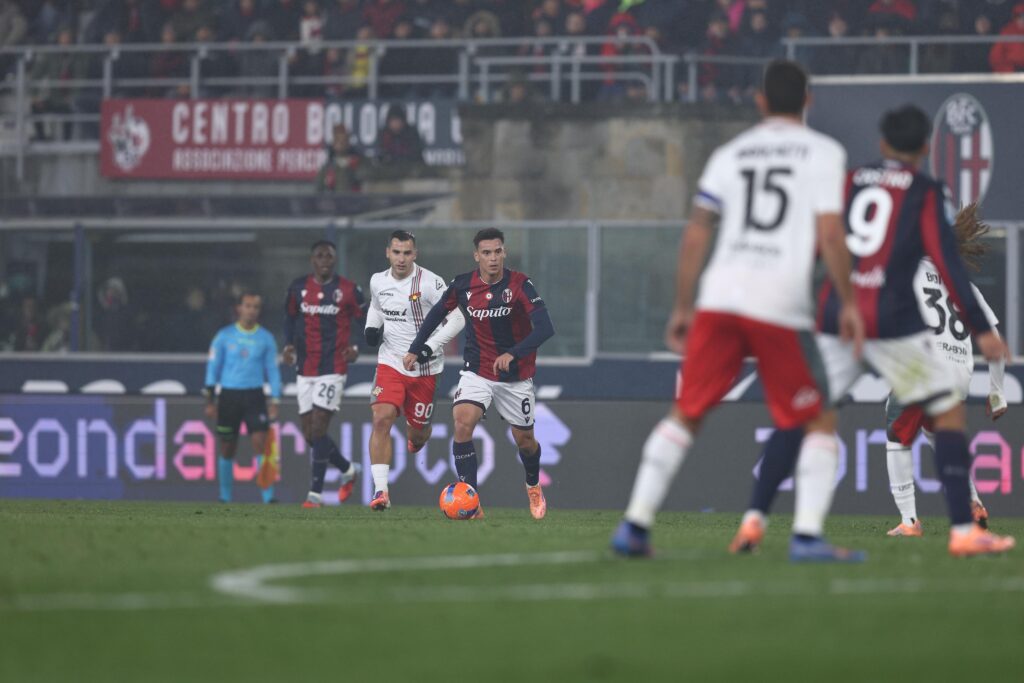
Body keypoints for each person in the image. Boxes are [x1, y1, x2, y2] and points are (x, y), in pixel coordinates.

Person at [730, 105, 1016, 559]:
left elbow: (823, 238)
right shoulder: (923, 191)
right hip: (892, 318)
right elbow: (949, 267)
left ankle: (754, 522)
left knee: (806, 414)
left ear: (882, 144)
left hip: (842, 312)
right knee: (945, 419)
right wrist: (982, 333)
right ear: (926, 148)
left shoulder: (851, 181)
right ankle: (960, 528)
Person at [611, 60, 866, 562]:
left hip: (719, 297)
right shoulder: (823, 153)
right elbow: (831, 233)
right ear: (808, 100)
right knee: (818, 419)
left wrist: (683, 306)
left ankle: (634, 526)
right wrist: (850, 301)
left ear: (761, 101)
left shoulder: (731, 154)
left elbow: (696, 232)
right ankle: (808, 537)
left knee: (686, 414)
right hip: (779, 304)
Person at [404, 228, 556, 520]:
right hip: (477, 370)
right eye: (486, 253)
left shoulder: (521, 284)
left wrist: (514, 353)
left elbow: (546, 328)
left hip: (515, 376)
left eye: (497, 251)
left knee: (525, 440)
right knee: (462, 423)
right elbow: (436, 314)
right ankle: (470, 502)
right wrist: (415, 348)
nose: (493, 258)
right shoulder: (463, 286)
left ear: (504, 253)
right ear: (477, 256)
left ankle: (533, 485)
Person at [884, 203, 1007, 536]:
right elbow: (992, 336)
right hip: (958, 371)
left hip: (925, 364)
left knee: (897, 433)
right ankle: (973, 503)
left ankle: (909, 521)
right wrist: (997, 389)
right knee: (938, 435)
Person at [364, 231, 465, 510]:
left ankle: (417, 436)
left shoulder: (431, 283)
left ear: (415, 254)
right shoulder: (377, 281)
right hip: (391, 362)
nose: (401, 259)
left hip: (425, 368)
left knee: (417, 435)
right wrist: (371, 327)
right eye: (396, 252)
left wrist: (427, 348)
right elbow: (376, 307)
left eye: (407, 253)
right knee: (381, 417)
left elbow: (457, 320)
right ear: (388, 252)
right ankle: (381, 491)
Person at [283, 240, 365, 508]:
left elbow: (367, 321)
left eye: (329, 256)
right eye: (320, 256)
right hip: (305, 367)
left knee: (319, 428)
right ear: (312, 260)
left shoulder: (349, 290)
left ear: (334, 259)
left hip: (334, 367)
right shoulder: (298, 288)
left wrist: (357, 347)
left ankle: (314, 495)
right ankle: (347, 469)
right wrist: (288, 345)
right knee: (309, 435)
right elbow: (290, 318)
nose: (325, 261)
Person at [203, 292, 282, 504]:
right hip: (229, 395)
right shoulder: (224, 336)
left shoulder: (266, 338)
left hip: (254, 395)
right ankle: (225, 497)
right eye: (247, 306)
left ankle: (268, 496)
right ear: (239, 308)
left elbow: (272, 370)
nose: (251, 310)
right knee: (227, 446)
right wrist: (210, 400)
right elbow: (213, 368)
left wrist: (275, 399)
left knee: (260, 442)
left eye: (255, 307)